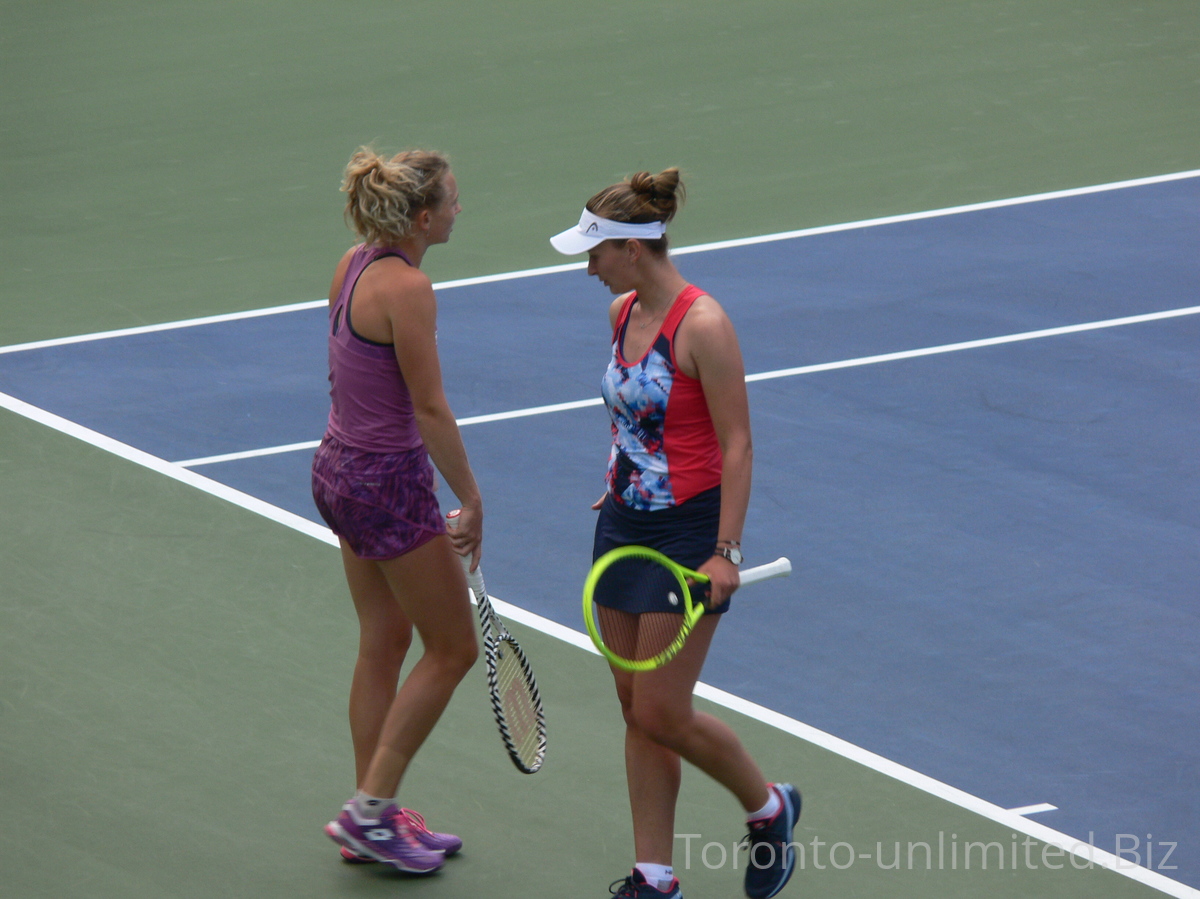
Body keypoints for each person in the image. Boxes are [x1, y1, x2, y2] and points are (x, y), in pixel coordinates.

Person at [550, 170, 802, 899]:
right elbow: (631, 413)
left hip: (688, 536)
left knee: (662, 708)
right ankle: (654, 876)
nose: (587, 267)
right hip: (624, 526)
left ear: (632, 249)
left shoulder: (705, 326)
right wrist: (622, 470)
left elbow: (738, 445)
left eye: (594, 254)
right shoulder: (621, 312)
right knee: (637, 709)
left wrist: (725, 551)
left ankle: (768, 807)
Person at [311, 147, 482, 874]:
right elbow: (430, 406)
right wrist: (470, 497)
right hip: (384, 480)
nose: (458, 209)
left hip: (337, 469)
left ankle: (371, 811)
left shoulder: (352, 265)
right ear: (422, 217)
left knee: (384, 639)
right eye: (450, 200)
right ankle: (371, 810)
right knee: (453, 649)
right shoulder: (410, 289)